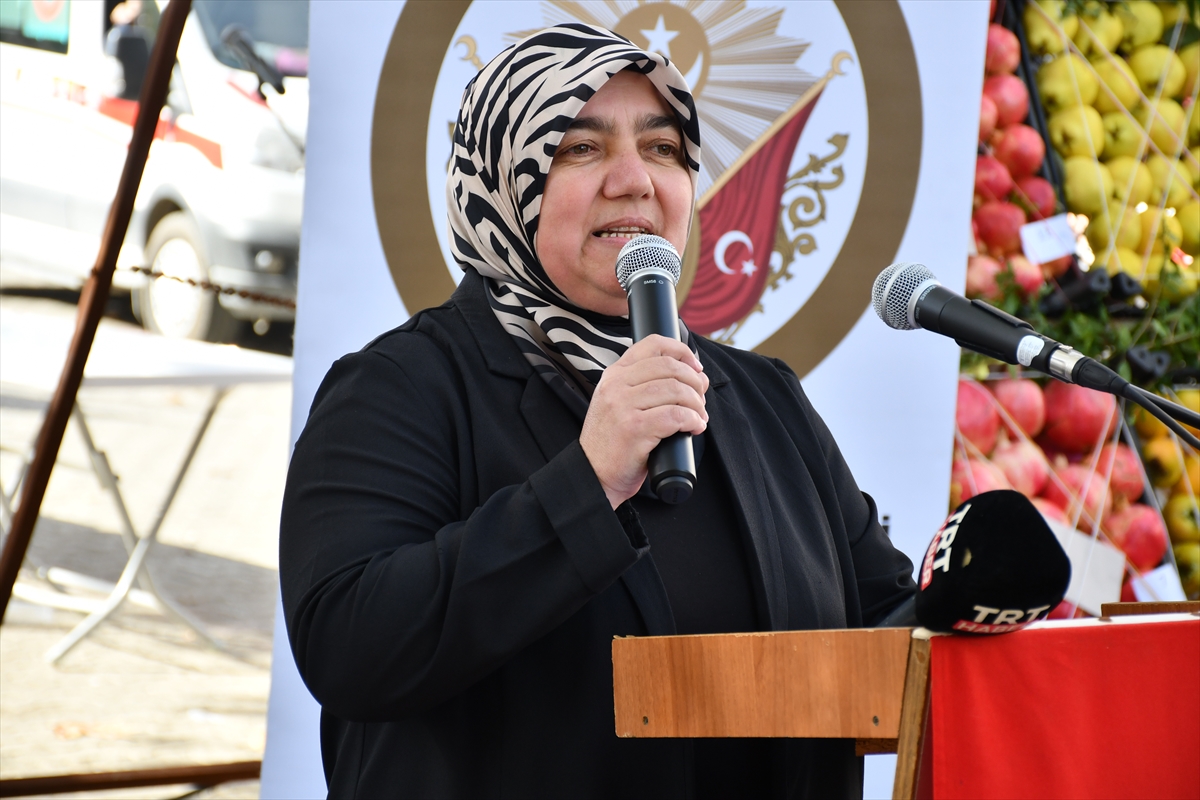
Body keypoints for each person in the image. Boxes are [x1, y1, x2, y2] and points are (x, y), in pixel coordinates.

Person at [280, 23, 915, 799]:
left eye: (662, 148)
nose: (634, 180)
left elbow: (886, 621)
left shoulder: (764, 397)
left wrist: (977, 594)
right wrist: (590, 480)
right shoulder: (401, 387)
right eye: (580, 147)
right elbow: (350, 648)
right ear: (504, 178)